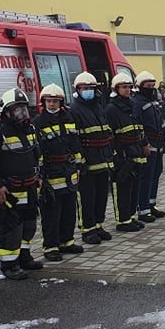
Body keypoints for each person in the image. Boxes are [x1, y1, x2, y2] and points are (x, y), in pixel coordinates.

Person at [0, 88, 45, 279]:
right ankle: (8, 265)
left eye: (24, 109)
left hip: (29, 187)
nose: (22, 114)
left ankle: (24, 256)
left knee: (29, 225)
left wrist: (40, 176)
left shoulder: (29, 129)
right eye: (17, 109)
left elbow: (37, 156)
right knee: (11, 228)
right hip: (9, 191)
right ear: (7, 112)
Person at [33, 83, 84, 260]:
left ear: (61, 102)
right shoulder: (38, 123)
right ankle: (50, 246)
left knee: (70, 209)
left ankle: (67, 241)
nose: (51, 104)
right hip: (51, 174)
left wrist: (78, 166)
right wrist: (40, 175)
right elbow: (36, 152)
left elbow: (75, 144)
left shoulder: (69, 119)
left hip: (69, 172)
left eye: (55, 101)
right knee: (51, 213)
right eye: (48, 101)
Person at [69, 72, 115, 245]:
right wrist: (80, 162)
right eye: (84, 88)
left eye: (90, 88)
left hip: (102, 159)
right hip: (87, 163)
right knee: (86, 198)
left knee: (101, 196)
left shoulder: (98, 107)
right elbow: (75, 140)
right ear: (77, 90)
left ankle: (98, 225)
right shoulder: (74, 110)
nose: (87, 91)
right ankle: (87, 230)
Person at [106, 73, 147, 231]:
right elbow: (110, 136)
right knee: (122, 187)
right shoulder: (111, 109)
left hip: (135, 152)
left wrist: (143, 146)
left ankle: (130, 217)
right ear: (116, 89)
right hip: (122, 154)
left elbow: (137, 128)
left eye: (129, 87)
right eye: (124, 87)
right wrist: (116, 156)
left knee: (133, 187)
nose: (128, 90)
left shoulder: (131, 105)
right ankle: (122, 221)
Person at [133, 70, 165, 223]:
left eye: (153, 85)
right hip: (148, 145)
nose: (151, 88)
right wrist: (144, 143)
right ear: (140, 86)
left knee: (156, 173)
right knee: (146, 177)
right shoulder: (137, 103)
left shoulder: (153, 102)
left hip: (159, 143)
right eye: (148, 85)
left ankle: (151, 204)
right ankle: (143, 209)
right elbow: (138, 126)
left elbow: (161, 120)